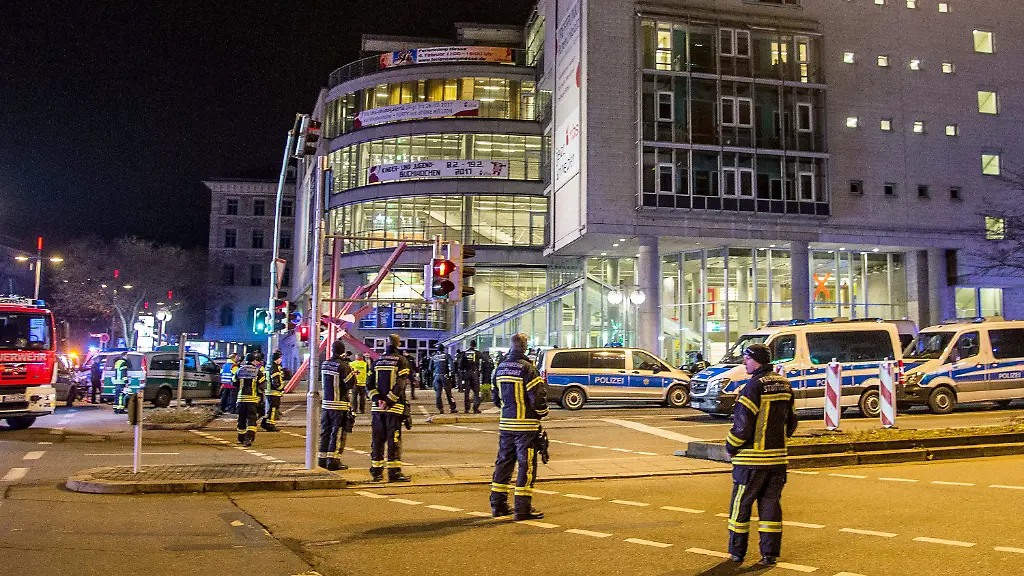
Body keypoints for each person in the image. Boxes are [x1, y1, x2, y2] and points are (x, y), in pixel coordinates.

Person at [724, 343, 798, 567]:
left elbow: (742, 427)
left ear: (755, 359)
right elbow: (792, 422)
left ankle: (737, 553)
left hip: (750, 462)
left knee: (741, 507)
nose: (744, 363)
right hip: (777, 460)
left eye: (746, 358)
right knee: (770, 506)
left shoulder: (753, 387)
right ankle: (769, 554)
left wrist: (730, 447)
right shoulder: (785, 385)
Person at [490, 333, 548, 520]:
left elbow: (495, 399)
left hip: (506, 425)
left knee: (503, 464)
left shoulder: (499, 368)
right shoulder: (528, 369)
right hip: (526, 428)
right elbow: (537, 399)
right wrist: (542, 413)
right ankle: (522, 509)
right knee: (526, 466)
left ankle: (498, 505)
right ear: (525, 347)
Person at [368, 334, 412, 483]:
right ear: (398, 343)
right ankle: (394, 473)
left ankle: (376, 472)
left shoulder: (377, 361)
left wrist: (377, 399)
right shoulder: (401, 361)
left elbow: (369, 384)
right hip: (393, 409)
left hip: (377, 409)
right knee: (394, 440)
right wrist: (389, 400)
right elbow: (400, 384)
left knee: (377, 440)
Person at [319, 339, 355, 470]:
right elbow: (350, 384)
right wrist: (352, 373)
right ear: (343, 351)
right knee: (338, 434)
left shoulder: (325, 364)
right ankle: (333, 461)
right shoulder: (343, 366)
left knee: (325, 433)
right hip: (339, 405)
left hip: (326, 405)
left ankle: (322, 459)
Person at [234, 352, 263, 447]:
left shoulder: (239, 370)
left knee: (241, 419)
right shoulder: (257, 371)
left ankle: (241, 437)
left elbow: (233, 382)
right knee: (251, 419)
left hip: (241, 399)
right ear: (254, 361)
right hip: (252, 400)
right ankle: (249, 438)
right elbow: (262, 386)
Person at [428, 343, 457, 414]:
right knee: (449, 393)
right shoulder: (447, 356)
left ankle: (440, 408)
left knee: (438, 394)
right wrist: (452, 374)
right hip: (445, 376)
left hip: (436, 376)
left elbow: (430, 368)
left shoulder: (434, 357)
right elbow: (452, 366)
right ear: (443, 349)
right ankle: (452, 408)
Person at [261, 350, 285, 431]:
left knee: (271, 408)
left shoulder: (268, 366)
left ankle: (265, 422)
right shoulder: (274, 368)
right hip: (274, 392)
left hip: (269, 390)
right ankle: (270, 424)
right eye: (280, 358)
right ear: (277, 359)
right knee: (274, 408)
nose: (281, 360)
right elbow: (276, 381)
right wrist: (281, 388)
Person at [457, 341, 483, 413]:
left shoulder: (465, 353)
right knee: (476, 391)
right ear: (475, 345)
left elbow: (460, 365)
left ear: (470, 345)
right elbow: (484, 359)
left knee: (467, 392)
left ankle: (467, 408)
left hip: (467, 373)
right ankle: (475, 408)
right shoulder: (477, 353)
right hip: (474, 373)